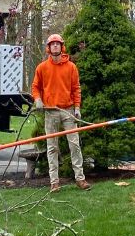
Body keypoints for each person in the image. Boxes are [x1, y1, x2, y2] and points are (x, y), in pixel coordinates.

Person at [32, 34, 91, 192]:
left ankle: (80, 179)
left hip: (68, 111)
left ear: (62, 47)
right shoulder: (42, 67)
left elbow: (76, 88)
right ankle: (54, 182)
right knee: (52, 148)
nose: (56, 46)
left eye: (58, 44)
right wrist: (38, 99)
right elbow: (35, 87)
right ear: (49, 48)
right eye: (53, 44)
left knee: (74, 145)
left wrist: (77, 108)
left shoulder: (71, 67)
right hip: (50, 112)